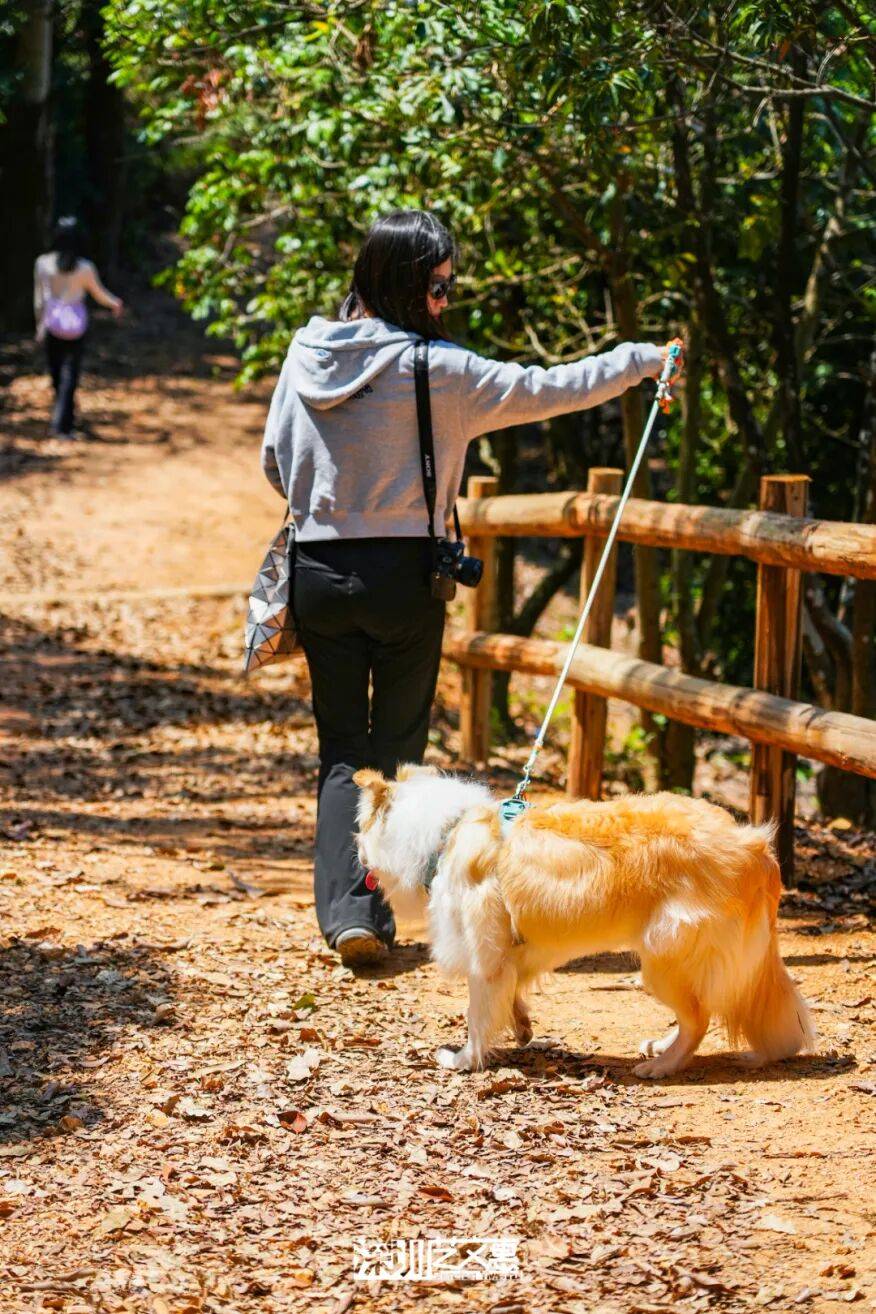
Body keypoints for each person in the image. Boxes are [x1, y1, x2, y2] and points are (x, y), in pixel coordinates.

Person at [261, 209, 684, 968]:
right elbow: (551, 388)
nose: (447, 301)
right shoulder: (442, 370)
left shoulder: (303, 355)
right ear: (407, 284)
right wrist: (641, 360)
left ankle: (347, 915)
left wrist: (334, 496)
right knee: (394, 743)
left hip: (318, 570)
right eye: (441, 286)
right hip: (405, 575)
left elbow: (273, 462)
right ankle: (376, 903)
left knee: (339, 748)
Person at [34, 216, 124, 439]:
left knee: (56, 373)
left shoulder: (43, 264)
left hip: (52, 323)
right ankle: (63, 423)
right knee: (69, 375)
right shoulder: (85, 268)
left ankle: (63, 418)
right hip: (76, 326)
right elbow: (99, 293)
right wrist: (115, 303)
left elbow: (40, 299)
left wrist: (40, 326)